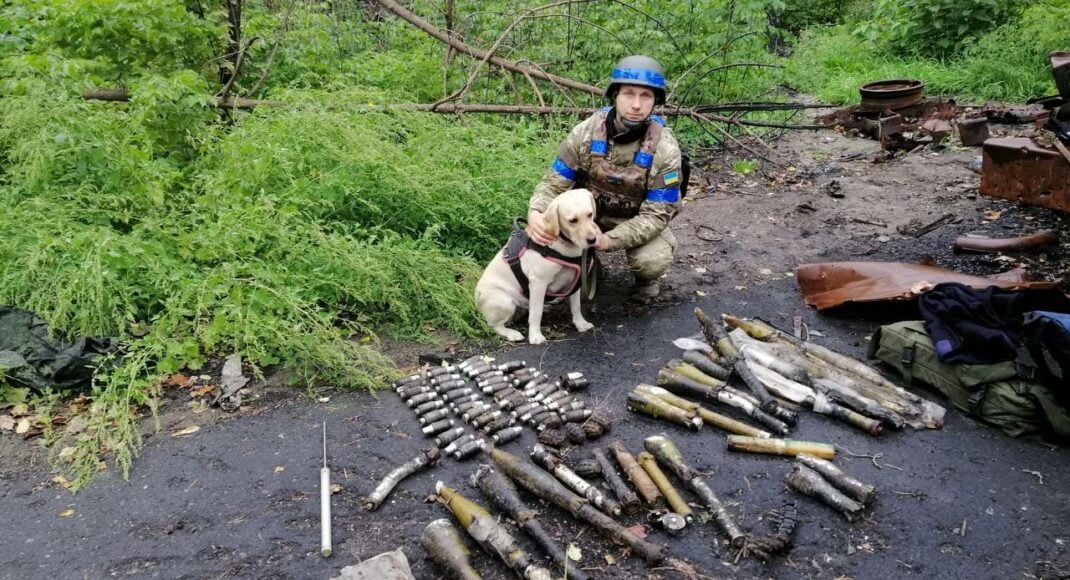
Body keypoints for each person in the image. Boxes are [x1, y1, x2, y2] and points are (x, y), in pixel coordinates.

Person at [526, 55, 683, 301]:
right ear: (615, 96)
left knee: (651, 261)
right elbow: (553, 184)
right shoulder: (585, 133)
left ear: (655, 103)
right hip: (584, 218)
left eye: (646, 96)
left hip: (634, 219)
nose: (636, 104)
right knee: (541, 231)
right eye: (629, 94)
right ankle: (582, 264)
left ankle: (644, 282)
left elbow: (656, 215)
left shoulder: (665, 149)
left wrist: (609, 240)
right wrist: (536, 212)